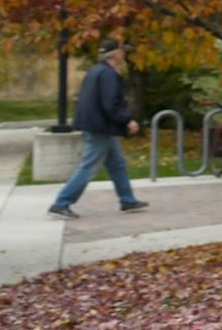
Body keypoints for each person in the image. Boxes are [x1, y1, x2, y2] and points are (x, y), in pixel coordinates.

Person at [47, 38, 152, 219]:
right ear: (115, 54)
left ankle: (127, 200)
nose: (124, 54)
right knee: (88, 167)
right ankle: (61, 203)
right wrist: (128, 120)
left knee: (117, 164)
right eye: (122, 51)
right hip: (99, 127)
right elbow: (110, 104)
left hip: (97, 126)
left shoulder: (96, 71)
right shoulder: (109, 75)